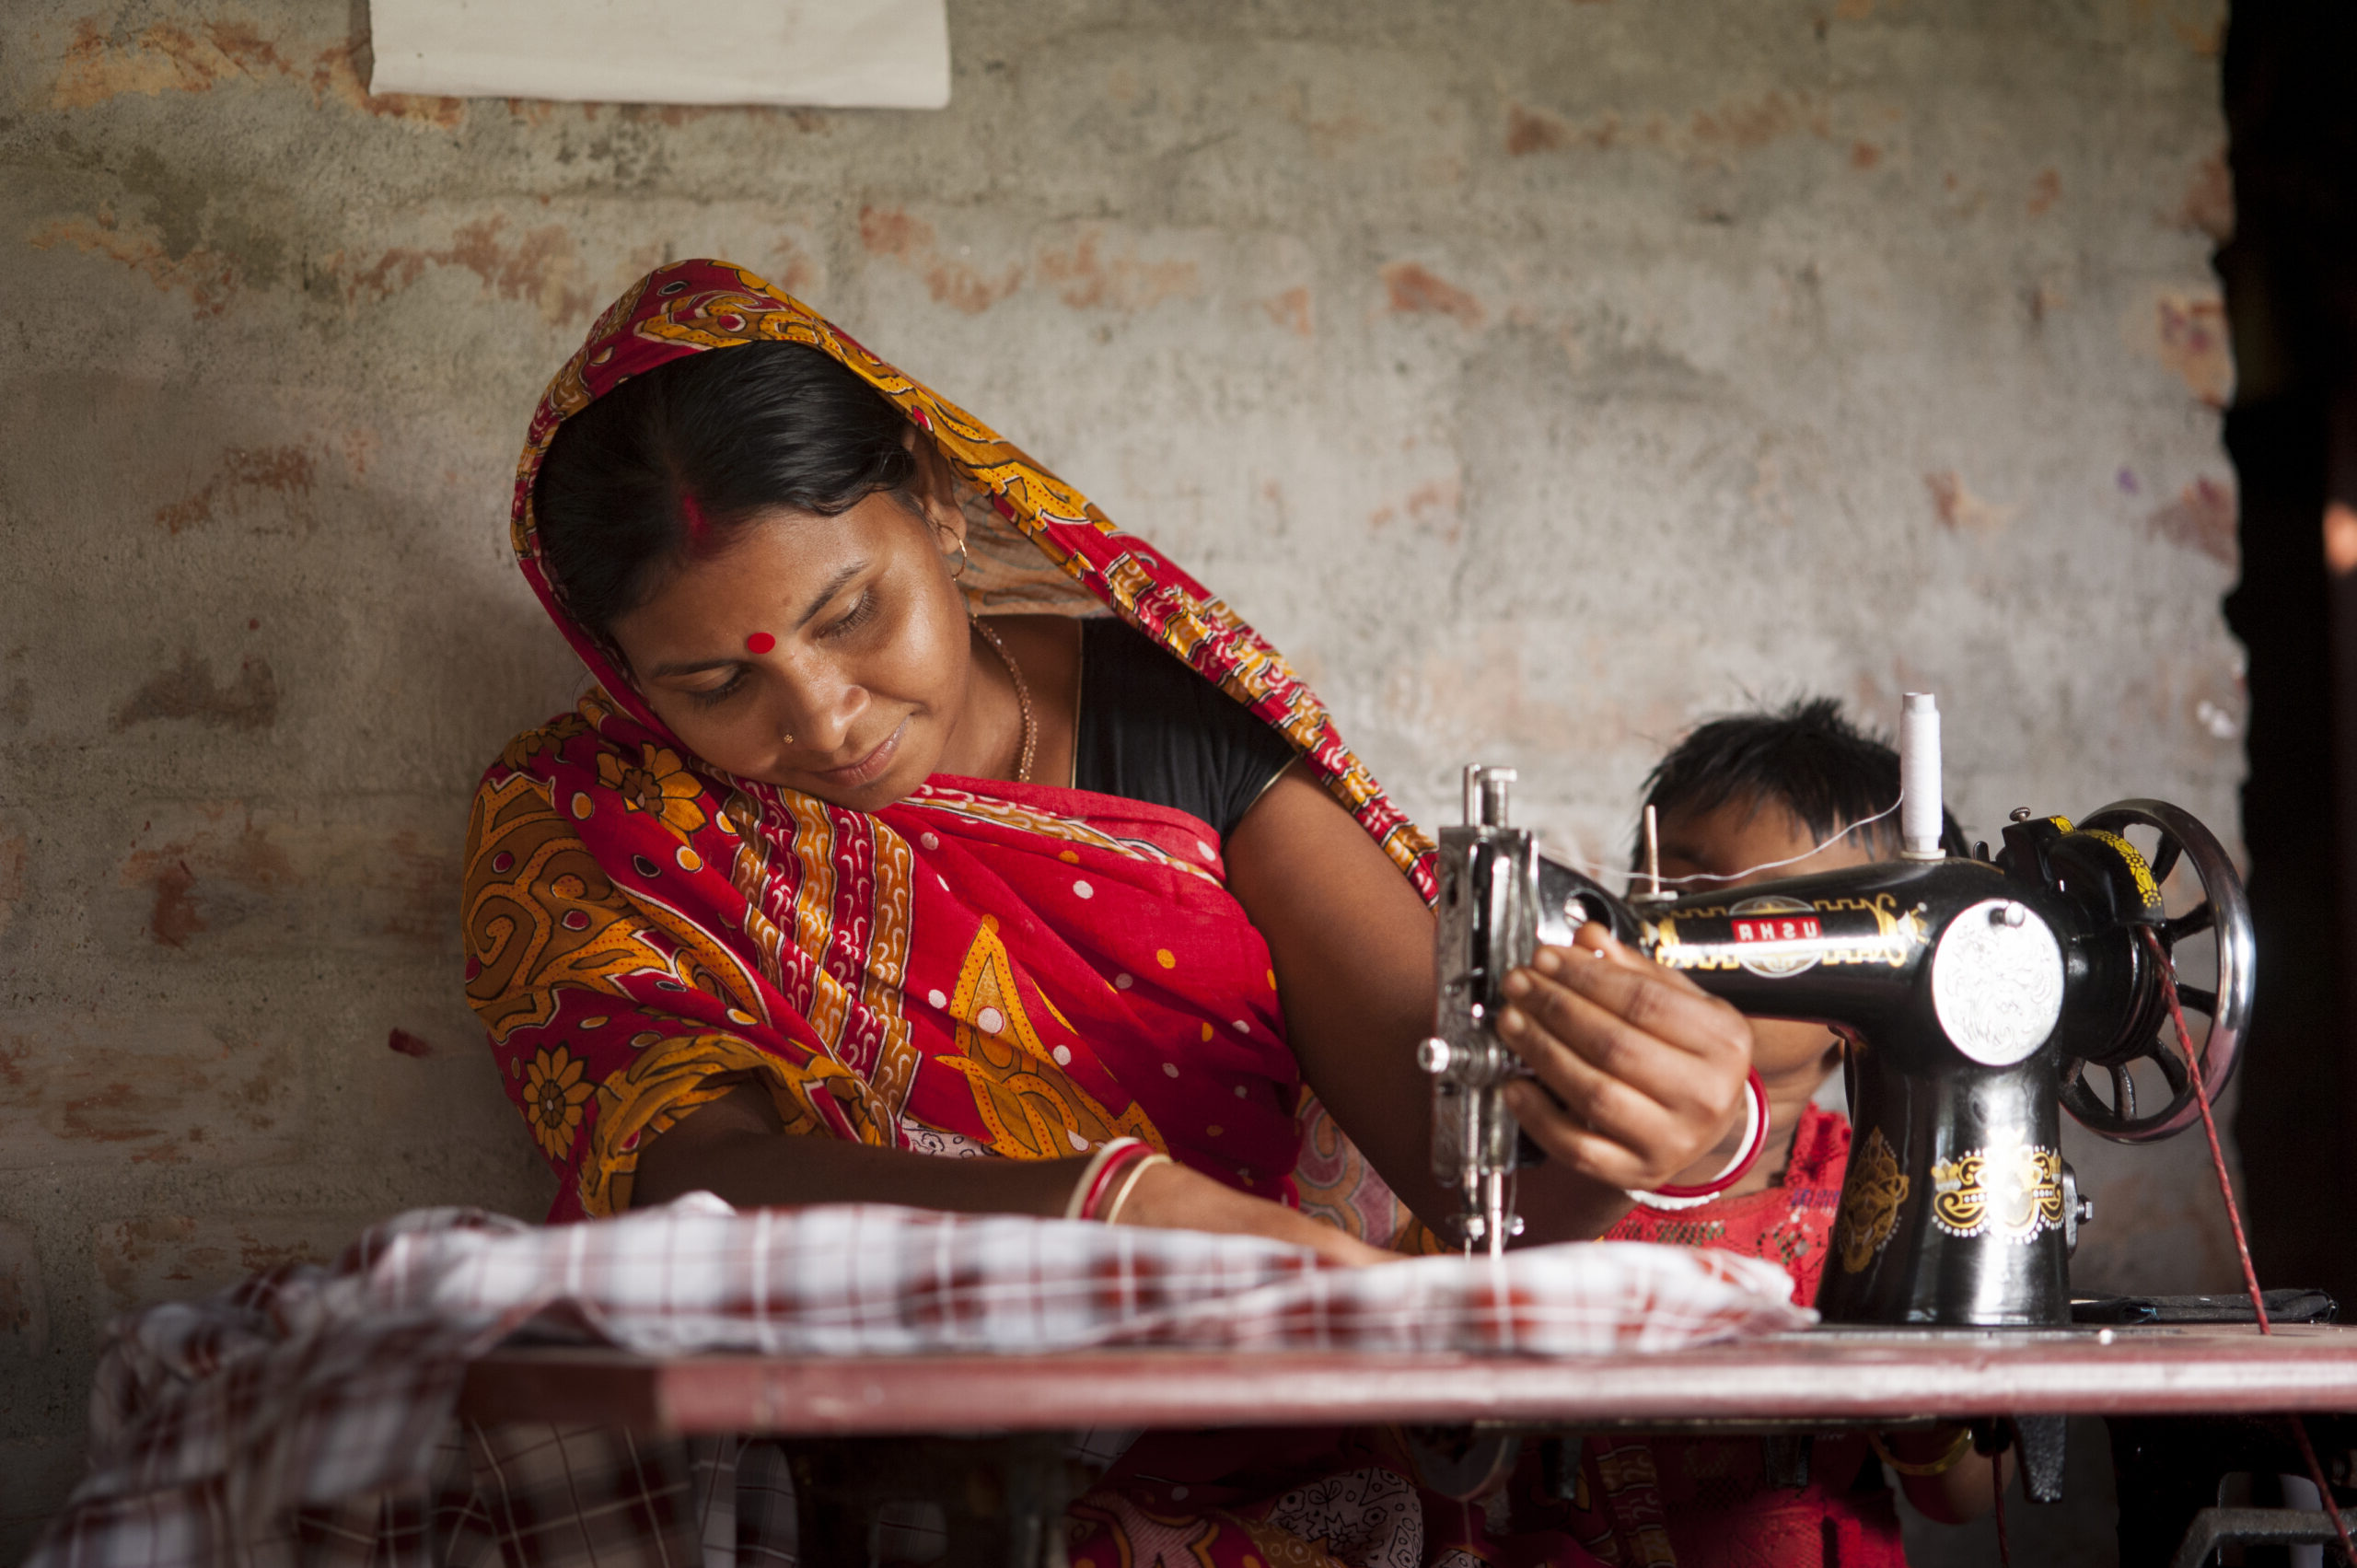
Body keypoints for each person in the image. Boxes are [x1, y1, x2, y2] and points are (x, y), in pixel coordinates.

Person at [462, 258, 1759, 1562]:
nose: (823, 716)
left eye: (852, 613)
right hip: (861, 1484)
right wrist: (1100, 1210)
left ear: (942, 502)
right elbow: (690, 1177)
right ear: (621, 672)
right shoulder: (591, 821)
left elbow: (1472, 1181)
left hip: (1274, 1459)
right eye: (708, 684)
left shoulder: (1178, 729)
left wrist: (1643, 1124)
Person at [1534, 698, 2006, 1565]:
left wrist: (1914, 1386)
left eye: (1774, 919)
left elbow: (1964, 1496)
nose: (1711, 936)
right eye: (1677, 894)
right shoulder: (1548, 1162)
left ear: (1872, 976)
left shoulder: (1887, 1187)